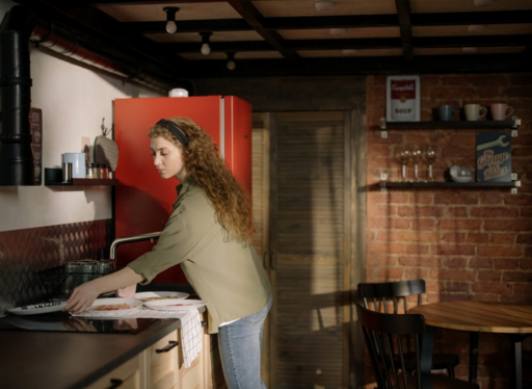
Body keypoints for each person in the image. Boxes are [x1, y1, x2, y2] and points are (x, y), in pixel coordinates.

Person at [65, 117, 272, 389]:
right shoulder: (204, 187)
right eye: (153, 153)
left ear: (188, 152)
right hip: (252, 296)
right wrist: (130, 280)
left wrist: (94, 287)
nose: (156, 161)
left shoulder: (194, 204)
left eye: (164, 153)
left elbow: (153, 260)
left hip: (238, 308)